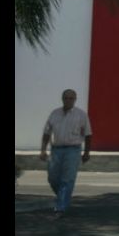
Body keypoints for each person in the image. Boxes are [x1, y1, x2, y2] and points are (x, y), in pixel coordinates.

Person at [39, 89, 93, 217]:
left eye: (71, 98)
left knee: (67, 179)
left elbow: (88, 135)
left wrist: (86, 153)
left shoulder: (81, 115)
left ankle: (60, 207)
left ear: (75, 99)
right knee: (52, 178)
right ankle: (63, 197)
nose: (68, 100)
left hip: (73, 150)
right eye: (66, 98)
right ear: (62, 99)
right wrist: (43, 150)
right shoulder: (55, 113)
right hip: (56, 150)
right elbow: (47, 133)